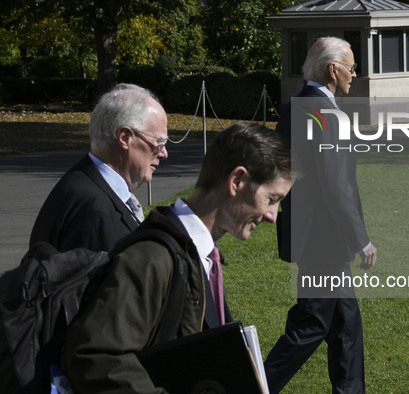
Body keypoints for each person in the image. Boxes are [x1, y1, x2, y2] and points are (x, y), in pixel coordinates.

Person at [62, 121, 293, 393]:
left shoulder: (200, 255)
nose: (272, 216)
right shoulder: (151, 258)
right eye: (272, 199)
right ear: (237, 181)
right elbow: (97, 357)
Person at [264, 37, 377, 393]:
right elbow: (336, 186)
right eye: (352, 67)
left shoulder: (293, 108)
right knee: (311, 324)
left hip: (307, 233)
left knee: (346, 325)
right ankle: (251, 386)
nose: (354, 75)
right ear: (333, 70)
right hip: (325, 240)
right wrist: (362, 240)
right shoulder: (326, 114)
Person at [29, 83, 168, 252]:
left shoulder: (83, 182)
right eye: (159, 142)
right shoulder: (96, 211)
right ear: (125, 138)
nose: (164, 153)